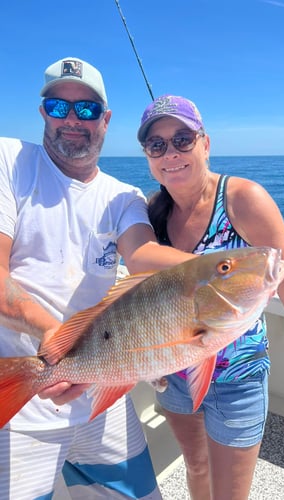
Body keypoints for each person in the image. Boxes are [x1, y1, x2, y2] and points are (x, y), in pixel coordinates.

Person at [137, 94, 284, 500]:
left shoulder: (243, 200)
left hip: (237, 380)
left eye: (182, 139)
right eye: (156, 145)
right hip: (174, 373)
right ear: (147, 155)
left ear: (205, 144)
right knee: (196, 467)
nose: (170, 153)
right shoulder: (153, 211)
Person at [0, 59, 191, 500]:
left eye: (86, 109)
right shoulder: (11, 162)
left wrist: (228, 266)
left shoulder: (122, 196)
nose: (71, 119)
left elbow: (143, 255)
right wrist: (53, 336)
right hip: (21, 402)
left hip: (100, 393)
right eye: (58, 106)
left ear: (105, 119)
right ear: (42, 112)